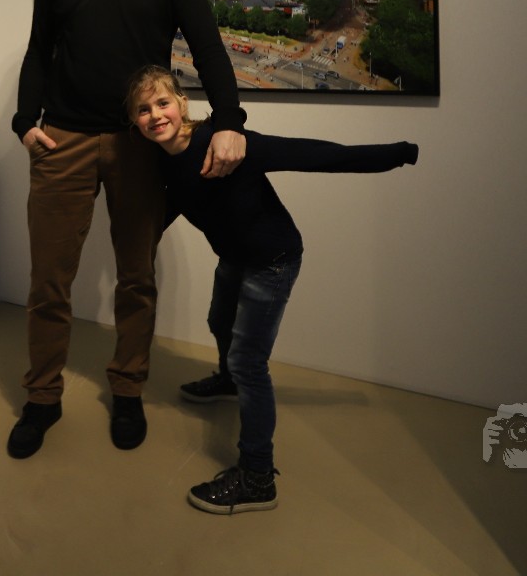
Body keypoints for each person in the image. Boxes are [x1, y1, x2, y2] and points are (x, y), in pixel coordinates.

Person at [7, 0, 247, 460]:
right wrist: (24, 121)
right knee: (48, 281)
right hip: (62, 139)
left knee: (136, 278)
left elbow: (209, 48)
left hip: (140, 145)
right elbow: (39, 50)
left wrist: (229, 121)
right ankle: (42, 397)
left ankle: (128, 389)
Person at [123, 64, 418, 514]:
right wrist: (138, 247)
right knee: (219, 321)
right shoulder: (162, 162)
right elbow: (176, 202)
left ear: (182, 103)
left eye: (162, 102)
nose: (155, 115)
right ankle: (227, 380)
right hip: (234, 256)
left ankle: (258, 476)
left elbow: (315, 155)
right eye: (143, 110)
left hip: (272, 260)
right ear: (134, 121)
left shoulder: (224, 144)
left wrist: (398, 153)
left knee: (249, 361)